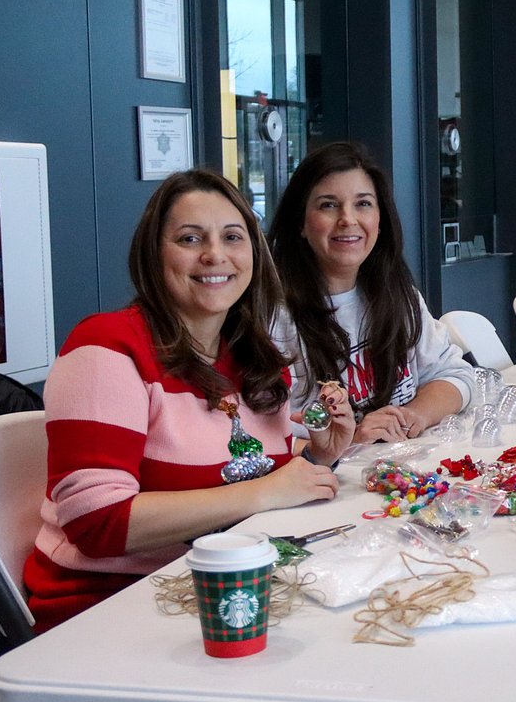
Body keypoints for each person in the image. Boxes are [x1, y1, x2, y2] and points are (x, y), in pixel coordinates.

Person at [25, 170, 354, 631]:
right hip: (112, 609)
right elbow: (96, 524)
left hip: (224, 585)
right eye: (189, 238)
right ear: (154, 254)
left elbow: (247, 465)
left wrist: (320, 453)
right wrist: (264, 493)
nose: (215, 255)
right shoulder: (107, 348)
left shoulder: (252, 355)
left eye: (232, 237)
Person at [269, 142, 473, 444]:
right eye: (328, 205)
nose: (348, 219)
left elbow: (457, 376)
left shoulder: (397, 294)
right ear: (300, 223)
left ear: (380, 220)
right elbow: (268, 434)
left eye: (363, 204)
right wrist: (349, 440)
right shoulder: (275, 319)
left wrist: (414, 415)